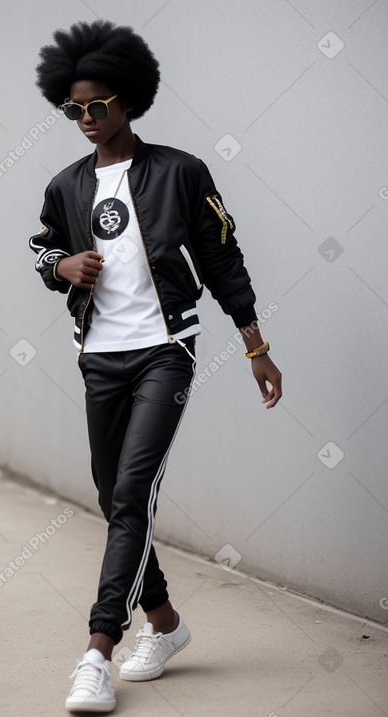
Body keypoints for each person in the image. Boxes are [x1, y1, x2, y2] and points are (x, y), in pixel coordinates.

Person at [29, 19, 282, 713]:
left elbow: (224, 258)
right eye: (73, 109)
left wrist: (255, 347)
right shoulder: (66, 184)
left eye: (97, 106)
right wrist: (64, 267)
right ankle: (166, 624)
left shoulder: (180, 171)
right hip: (99, 358)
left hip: (164, 351)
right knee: (118, 499)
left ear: (129, 100)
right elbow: (43, 251)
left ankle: (96, 651)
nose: (85, 119)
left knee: (132, 492)